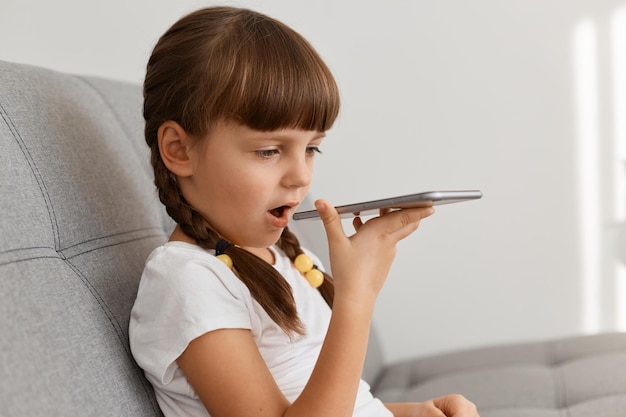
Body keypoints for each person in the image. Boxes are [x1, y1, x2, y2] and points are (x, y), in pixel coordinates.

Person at [129, 6, 479, 417]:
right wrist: (356, 297)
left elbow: (327, 400)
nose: (301, 176)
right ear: (179, 149)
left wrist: (412, 412)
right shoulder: (187, 280)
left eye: (312, 148)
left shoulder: (286, 258)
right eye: (269, 151)